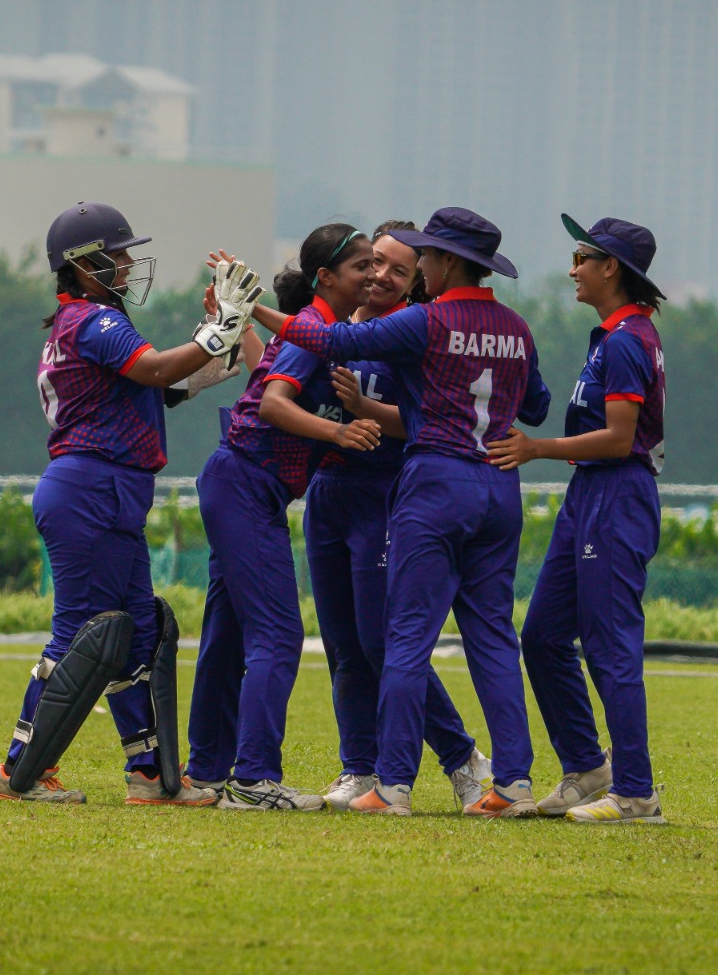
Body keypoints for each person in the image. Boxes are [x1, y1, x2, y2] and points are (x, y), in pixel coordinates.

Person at [250, 207, 551, 817]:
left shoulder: (426, 321)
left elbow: (329, 338)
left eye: (424, 258)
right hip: (498, 484)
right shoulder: (517, 327)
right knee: (492, 635)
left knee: (406, 636)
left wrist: (250, 306)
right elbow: (538, 407)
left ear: (443, 262)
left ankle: (392, 786)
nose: (414, 270)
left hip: (434, 484)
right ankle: (512, 784)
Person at [0, 201, 262, 805]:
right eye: (117, 255)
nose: (128, 263)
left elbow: (173, 382)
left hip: (102, 491)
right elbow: (162, 367)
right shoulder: (94, 321)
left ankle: (148, 774)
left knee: (138, 634)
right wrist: (218, 330)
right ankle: (18, 770)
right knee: (79, 637)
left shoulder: (87, 323)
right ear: (82, 266)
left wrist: (229, 332)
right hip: (91, 489)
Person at [186, 223, 382, 811]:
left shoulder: (325, 331)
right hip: (245, 483)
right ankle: (254, 781)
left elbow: (263, 372)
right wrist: (340, 432)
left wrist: (243, 319)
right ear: (326, 279)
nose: (373, 275)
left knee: (227, 637)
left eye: (377, 264)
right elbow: (273, 401)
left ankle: (204, 774)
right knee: (278, 633)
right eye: (361, 267)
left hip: (244, 488)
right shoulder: (318, 328)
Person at [487, 213, 667, 825]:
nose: (572, 271)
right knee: (540, 637)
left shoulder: (626, 340)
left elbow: (619, 439)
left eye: (581, 259)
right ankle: (589, 769)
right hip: (589, 496)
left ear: (611, 267)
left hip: (617, 494)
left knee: (611, 648)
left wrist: (536, 448)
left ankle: (637, 794)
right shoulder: (613, 335)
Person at [308, 221, 493, 812]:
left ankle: (461, 757)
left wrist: (366, 410)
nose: (380, 276)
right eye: (373, 263)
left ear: (418, 281)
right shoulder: (335, 325)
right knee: (341, 644)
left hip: (385, 495)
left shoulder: (420, 336)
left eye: (398, 269)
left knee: (382, 642)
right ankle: (358, 767)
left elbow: (433, 423)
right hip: (326, 493)